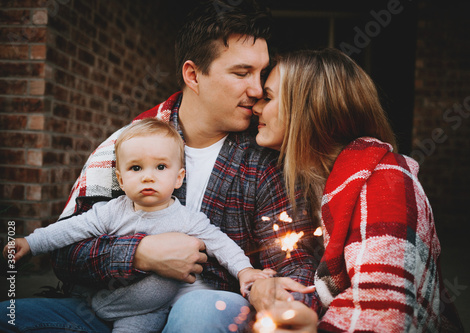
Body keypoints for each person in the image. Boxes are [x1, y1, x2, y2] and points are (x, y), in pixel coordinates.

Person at [0, 1, 320, 332]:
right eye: (241, 73)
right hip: (115, 310)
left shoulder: (265, 158)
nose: (256, 90)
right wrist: (139, 254)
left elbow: (294, 260)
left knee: (200, 311)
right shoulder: (125, 145)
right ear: (193, 75)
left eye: (261, 74)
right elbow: (66, 255)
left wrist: (281, 301)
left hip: (214, 310)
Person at [250, 48, 463, 332]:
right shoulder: (312, 184)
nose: (256, 107)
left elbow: (385, 313)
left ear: (308, 107)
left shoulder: (386, 182)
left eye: (268, 97)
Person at [3, 118, 276, 332]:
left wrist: (244, 271)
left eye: (160, 167)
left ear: (178, 178)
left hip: (148, 313)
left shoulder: (186, 218)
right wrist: (31, 242)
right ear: (121, 181)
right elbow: (71, 230)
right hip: (109, 300)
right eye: (136, 168)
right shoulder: (111, 211)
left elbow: (220, 243)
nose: (148, 177)